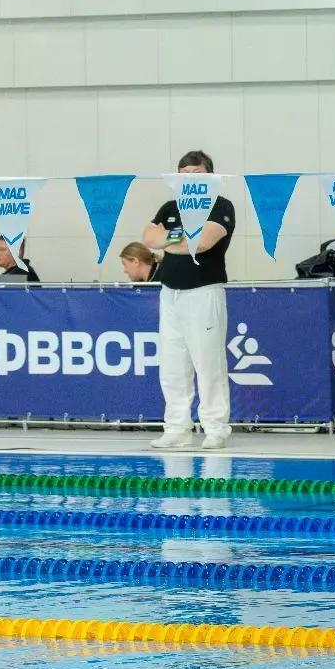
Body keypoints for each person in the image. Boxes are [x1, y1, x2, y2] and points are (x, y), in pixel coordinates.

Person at [141, 149, 235, 452]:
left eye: (196, 173)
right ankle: (177, 427)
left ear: (210, 176)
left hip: (203, 293)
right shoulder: (170, 206)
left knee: (208, 365)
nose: (189, 179)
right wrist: (177, 241)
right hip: (170, 294)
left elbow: (203, 242)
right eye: (184, 173)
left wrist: (169, 241)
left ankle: (216, 428)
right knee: (172, 366)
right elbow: (148, 238)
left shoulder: (220, 206)